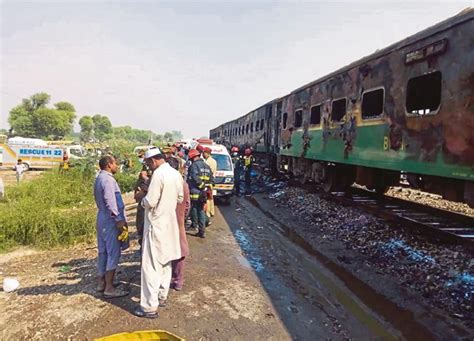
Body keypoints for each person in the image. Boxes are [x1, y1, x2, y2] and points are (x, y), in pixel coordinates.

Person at [133, 149, 184, 318]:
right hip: (170, 224)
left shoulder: (158, 175)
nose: (148, 166)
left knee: (150, 266)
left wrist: (142, 199)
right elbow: (179, 198)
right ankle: (162, 296)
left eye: (148, 163)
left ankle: (148, 307)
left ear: (153, 161)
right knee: (165, 262)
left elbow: (151, 201)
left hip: (156, 225)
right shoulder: (176, 174)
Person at [93, 155, 129, 299]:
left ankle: (102, 283)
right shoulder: (108, 180)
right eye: (115, 163)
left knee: (103, 252)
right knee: (113, 252)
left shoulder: (99, 178)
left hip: (102, 218)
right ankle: (109, 287)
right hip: (110, 220)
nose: (117, 166)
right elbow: (110, 201)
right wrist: (119, 219)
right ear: (109, 164)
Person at [167, 158, 190, 291]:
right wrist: (182, 216)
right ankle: (178, 280)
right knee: (180, 250)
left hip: (165, 221)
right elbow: (187, 205)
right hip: (178, 220)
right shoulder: (183, 184)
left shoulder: (163, 181)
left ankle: (166, 278)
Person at [187, 149, 213, 238]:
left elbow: (193, 177)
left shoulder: (194, 165)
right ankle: (202, 230)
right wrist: (205, 187)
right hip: (204, 192)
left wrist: (201, 186)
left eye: (191, 159)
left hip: (196, 191)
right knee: (201, 210)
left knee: (194, 209)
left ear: (194, 158)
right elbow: (211, 179)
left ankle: (196, 226)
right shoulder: (207, 166)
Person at [202, 147, 217, 223]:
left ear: (207, 153)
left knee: (207, 198)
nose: (203, 154)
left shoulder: (208, 162)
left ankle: (208, 213)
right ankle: (212, 211)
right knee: (210, 197)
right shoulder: (213, 161)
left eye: (204, 153)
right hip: (211, 181)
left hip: (208, 182)